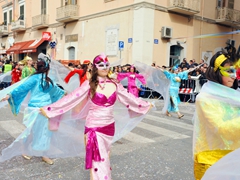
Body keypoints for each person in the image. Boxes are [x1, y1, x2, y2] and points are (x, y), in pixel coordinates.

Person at [40, 53, 153, 180]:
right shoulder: (89, 84)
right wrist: (50, 109)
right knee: (99, 160)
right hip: (94, 127)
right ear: (95, 67)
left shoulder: (115, 84)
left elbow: (129, 98)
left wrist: (144, 105)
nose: (104, 68)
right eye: (101, 65)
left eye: (106, 65)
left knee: (104, 157)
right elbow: (72, 99)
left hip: (109, 127)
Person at [0, 53, 66, 165]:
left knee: (47, 132)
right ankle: (24, 149)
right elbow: (21, 88)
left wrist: (68, 95)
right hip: (35, 109)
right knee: (32, 131)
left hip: (46, 109)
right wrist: (10, 94)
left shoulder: (49, 80)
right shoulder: (34, 78)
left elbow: (56, 91)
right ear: (47, 67)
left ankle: (44, 154)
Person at [193, 49, 240, 180]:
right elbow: (222, 128)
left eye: (235, 71)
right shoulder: (205, 98)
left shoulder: (234, 96)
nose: (234, 76)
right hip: (210, 161)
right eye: (229, 71)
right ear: (217, 72)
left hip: (233, 159)